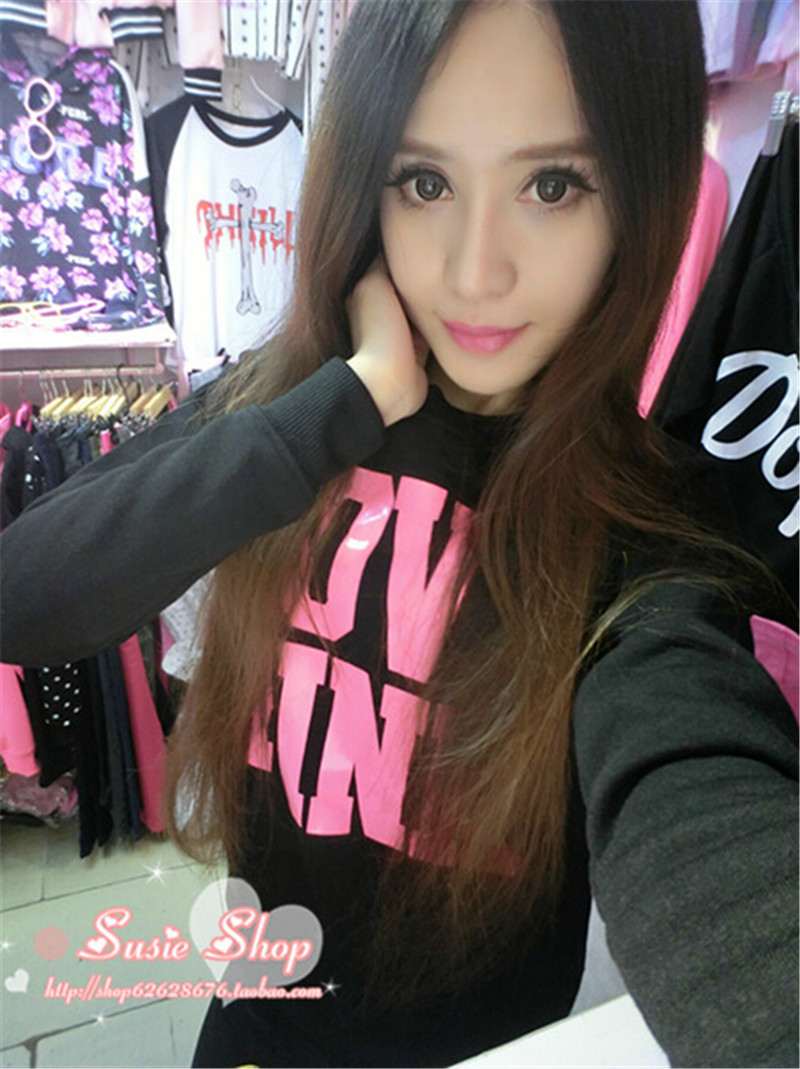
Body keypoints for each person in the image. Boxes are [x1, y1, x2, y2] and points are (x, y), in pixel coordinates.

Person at [1, 2, 797, 1067]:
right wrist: (348, 401)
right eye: (424, 181)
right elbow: (24, 596)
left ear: (639, 198)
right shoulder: (292, 411)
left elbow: (698, 794)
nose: (474, 273)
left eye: (552, 185)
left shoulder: (646, 532)